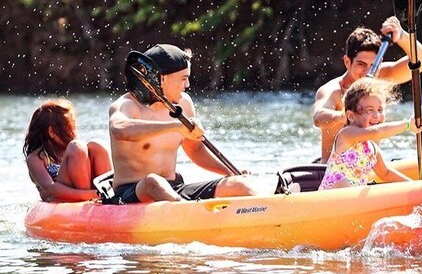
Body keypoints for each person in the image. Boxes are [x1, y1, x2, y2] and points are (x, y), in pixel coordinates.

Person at [106, 44, 270, 204]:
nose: (187, 85)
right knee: (153, 182)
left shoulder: (184, 103)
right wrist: (175, 126)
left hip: (174, 189)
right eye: (183, 79)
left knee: (240, 185)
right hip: (131, 193)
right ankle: (188, 212)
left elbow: (196, 149)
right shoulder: (127, 105)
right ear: (161, 79)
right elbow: (119, 130)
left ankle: (270, 211)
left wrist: (230, 173)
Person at [313, 16, 422, 163]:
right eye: (361, 64)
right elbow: (318, 118)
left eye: (372, 65)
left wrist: (402, 36)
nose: (367, 72)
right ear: (347, 61)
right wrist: (346, 116)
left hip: (369, 170)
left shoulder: (381, 76)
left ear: (379, 62)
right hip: (334, 172)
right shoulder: (333, 90)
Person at [318, 77, 422, 190]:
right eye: (370, 110)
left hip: (354, 201)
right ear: (351, 116)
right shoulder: (346, 134)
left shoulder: (372, 148)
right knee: (343, 184)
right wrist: (407, 125)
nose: (377, 115)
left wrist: (416, 186)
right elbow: (376, 132)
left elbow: (386, 173)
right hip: (330, 199)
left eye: (380, 109)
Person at [24, 99, 112, 202]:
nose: (74, 133)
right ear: (52, 132)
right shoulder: (36, 159)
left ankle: (109, 193)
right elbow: (50, 189)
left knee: (96, 145)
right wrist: (93, 194)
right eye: (70, 129)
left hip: (94, 193)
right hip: (62, 199)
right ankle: (91, 200)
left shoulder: (72, 151)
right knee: (76, 147)